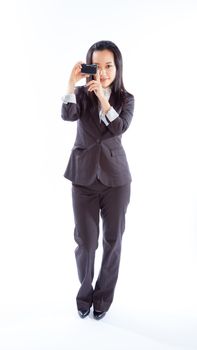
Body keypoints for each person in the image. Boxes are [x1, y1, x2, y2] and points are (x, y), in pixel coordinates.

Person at [61, 40, 134, 320]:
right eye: (98, 66)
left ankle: (103, 297)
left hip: (116, 180)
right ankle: (84, 294)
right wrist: (71, 84)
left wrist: (103, 97)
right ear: (89, 66)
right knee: (86, 241)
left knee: (113, 241)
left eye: (109, 66)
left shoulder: (126, 99)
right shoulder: (80, 94)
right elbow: (68, 115)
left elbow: (118, 127)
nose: (103, 72)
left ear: (117, 67)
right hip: (83, 178)